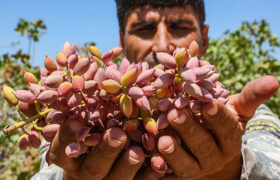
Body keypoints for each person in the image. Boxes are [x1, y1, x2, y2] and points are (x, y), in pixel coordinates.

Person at [31, 0, 280, 179]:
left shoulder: (245, 115)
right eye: (144, 29)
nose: (162, 45)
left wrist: (228, 170)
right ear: (121, 41)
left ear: (204, 38)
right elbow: (48, 171)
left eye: (180, 27)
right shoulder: (73, 115)